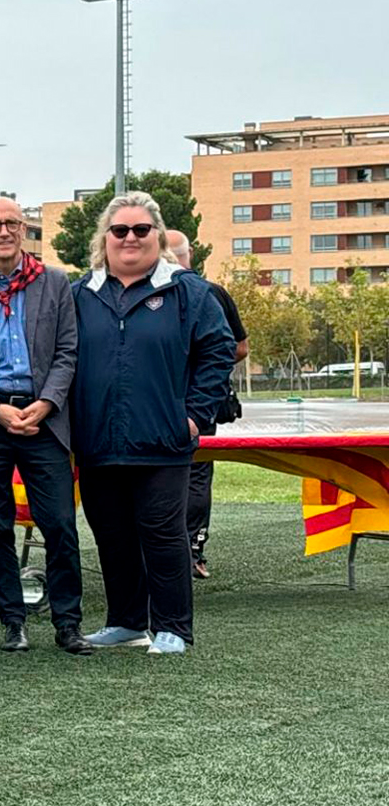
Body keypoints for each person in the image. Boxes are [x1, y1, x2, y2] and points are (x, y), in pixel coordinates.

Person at [70, 193, 235, 655]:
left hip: (164, 440)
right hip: (98, 440)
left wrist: (195, 414)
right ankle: (126, 622)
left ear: (157, 237)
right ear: (105, 238)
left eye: (141, 230)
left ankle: (173, 627)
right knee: (112, 535)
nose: (130, 238)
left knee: (163, 534)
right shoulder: (80, 294)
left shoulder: (187, 292)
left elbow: (220, 349)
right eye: (120, 230)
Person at [0, 197, 90, 654]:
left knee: (60, 524)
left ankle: (68, 623)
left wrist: (46, 403)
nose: (3, 231)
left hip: (44, 421)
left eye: (11, 223)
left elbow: (68, 352)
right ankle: (13, 621)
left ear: (23, 230)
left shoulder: (56, 284)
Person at [167, 228, 249, 579]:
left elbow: (236, 347)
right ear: (190, 254)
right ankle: (188, 550)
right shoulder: (209, 292)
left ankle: (187, 549)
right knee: (194, 474)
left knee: (189, 474)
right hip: (189, 402)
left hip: (190, 404)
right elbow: (239, 348)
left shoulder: (207, 293)